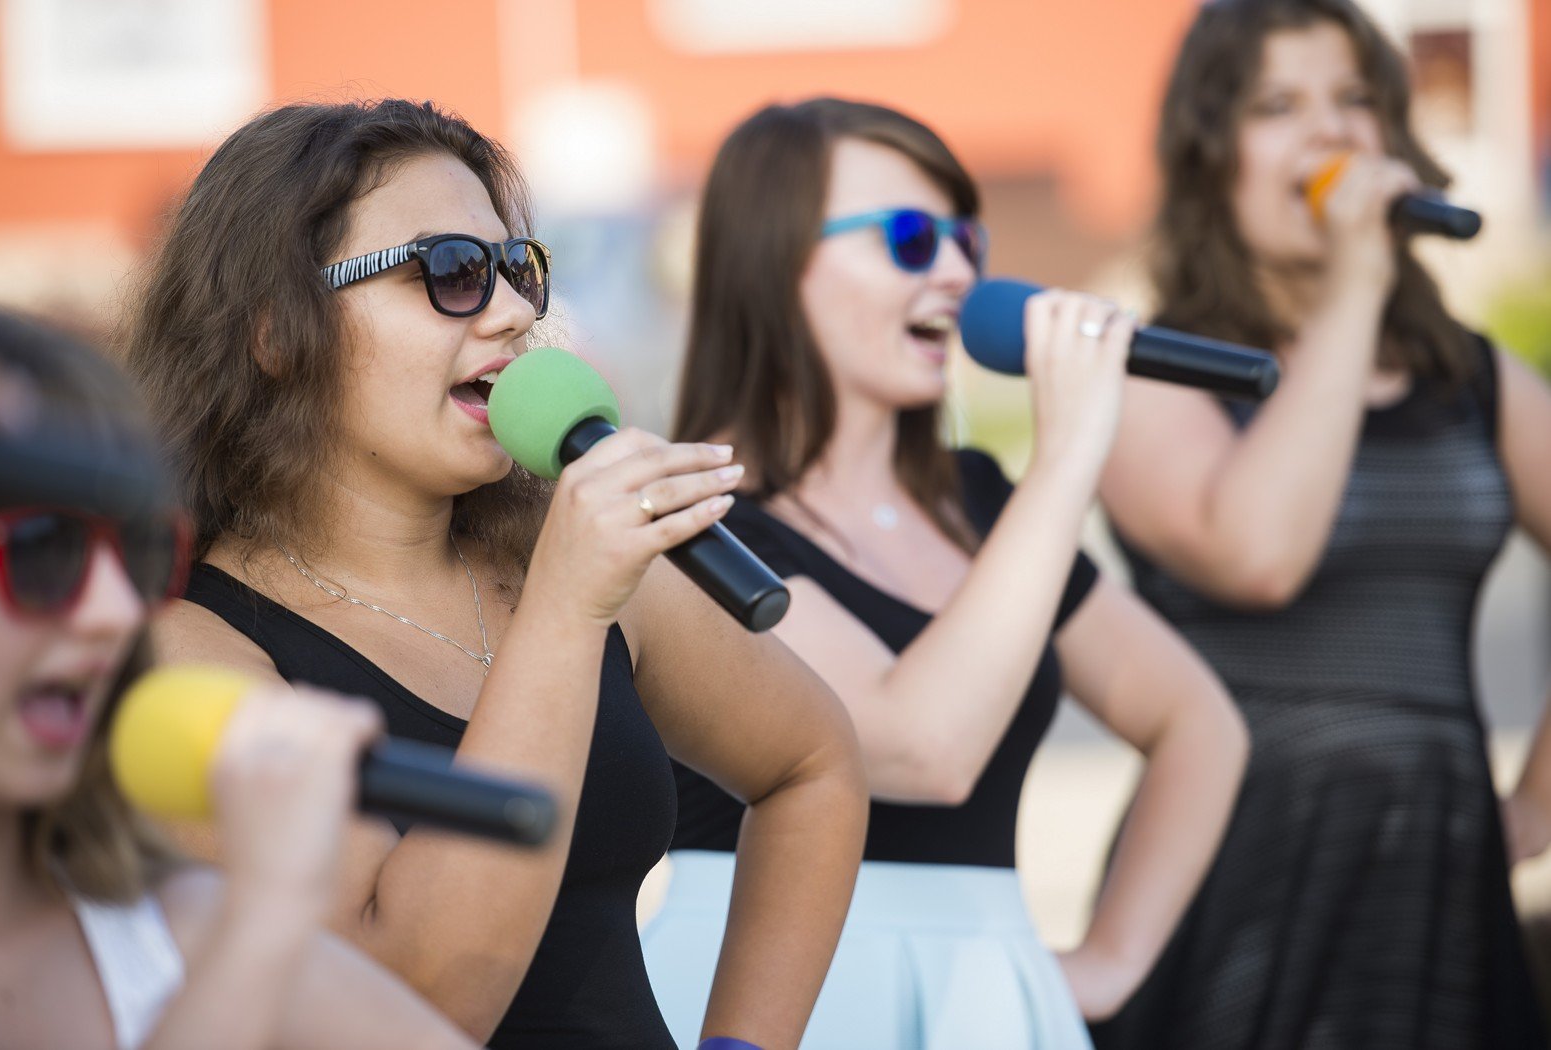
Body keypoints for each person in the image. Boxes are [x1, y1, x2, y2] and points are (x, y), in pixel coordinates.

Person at [124, 98, 867, 1050]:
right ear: (274, 333)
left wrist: (741, 1044)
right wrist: (562, 615)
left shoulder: (568, 563)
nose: (516, 313)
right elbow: (418, 1000)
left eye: (519, 268)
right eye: (451, 272)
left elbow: (813, 765)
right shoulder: (185, 653)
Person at [642, 97, 1249, 1049]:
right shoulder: (696, 519)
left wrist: (1112, 959)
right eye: (911, 239)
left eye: (968, 240)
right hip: (764, 990)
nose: (960, 273)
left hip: (986, 989)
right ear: (772, 259)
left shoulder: (982, 506)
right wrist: (1065, 460)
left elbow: (1198, 724)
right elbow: (921, 751)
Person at [1089, 1, 1551, 1046]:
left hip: (1440, 890)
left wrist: (1534, 803)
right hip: (1237, 885)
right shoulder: (1154, 370)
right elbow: (1257, 557)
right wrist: (1353, 291)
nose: (1330, 131)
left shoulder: (1468, 381)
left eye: (1352, 100)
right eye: (1278, 106)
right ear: (1210, 156)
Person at [0, 304, 475, 1050]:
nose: (117, 609)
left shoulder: (179, 929)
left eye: (139, 553)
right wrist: (264, 923)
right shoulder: (237, 937)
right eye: (44, 549)